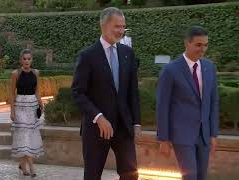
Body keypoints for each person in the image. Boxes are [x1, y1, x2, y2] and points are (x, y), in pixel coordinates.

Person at [71, 7, 141, 180]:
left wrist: (137, 123)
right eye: (117, 26)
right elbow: (78, 92)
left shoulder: (128, 54)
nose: (121, 31)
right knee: (93, 176)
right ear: (103, 25)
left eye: (123, 26)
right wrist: (99, 117)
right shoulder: (87, 56)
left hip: (124, 127)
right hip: (96, 129)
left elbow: (133, 91)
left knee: (131, 175)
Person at [156, 26, 219, 180]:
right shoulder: (170, 70)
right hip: (182, 135)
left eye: (205, 45)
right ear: (187, 43)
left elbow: (213, 102)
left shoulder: (210, 68)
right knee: (190, 176)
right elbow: (162, 106)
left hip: (204, 134)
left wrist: (213, 133)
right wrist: (163, 139)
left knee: (201, 176)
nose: (202, 49)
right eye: (198, 45)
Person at [10, 49, 44, 177]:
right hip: (20, 107)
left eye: (29, 59)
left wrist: (41, 104)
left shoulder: (36, 73)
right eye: (24, 59)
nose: (26, 61)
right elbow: (11, 93)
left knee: (29, 136)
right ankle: (31, 167)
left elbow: (37, 91)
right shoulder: (15, 74)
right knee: (23, 136)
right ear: (21, 60)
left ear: (31, 60)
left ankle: (22, 164)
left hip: (32, 107)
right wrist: (12, 110)